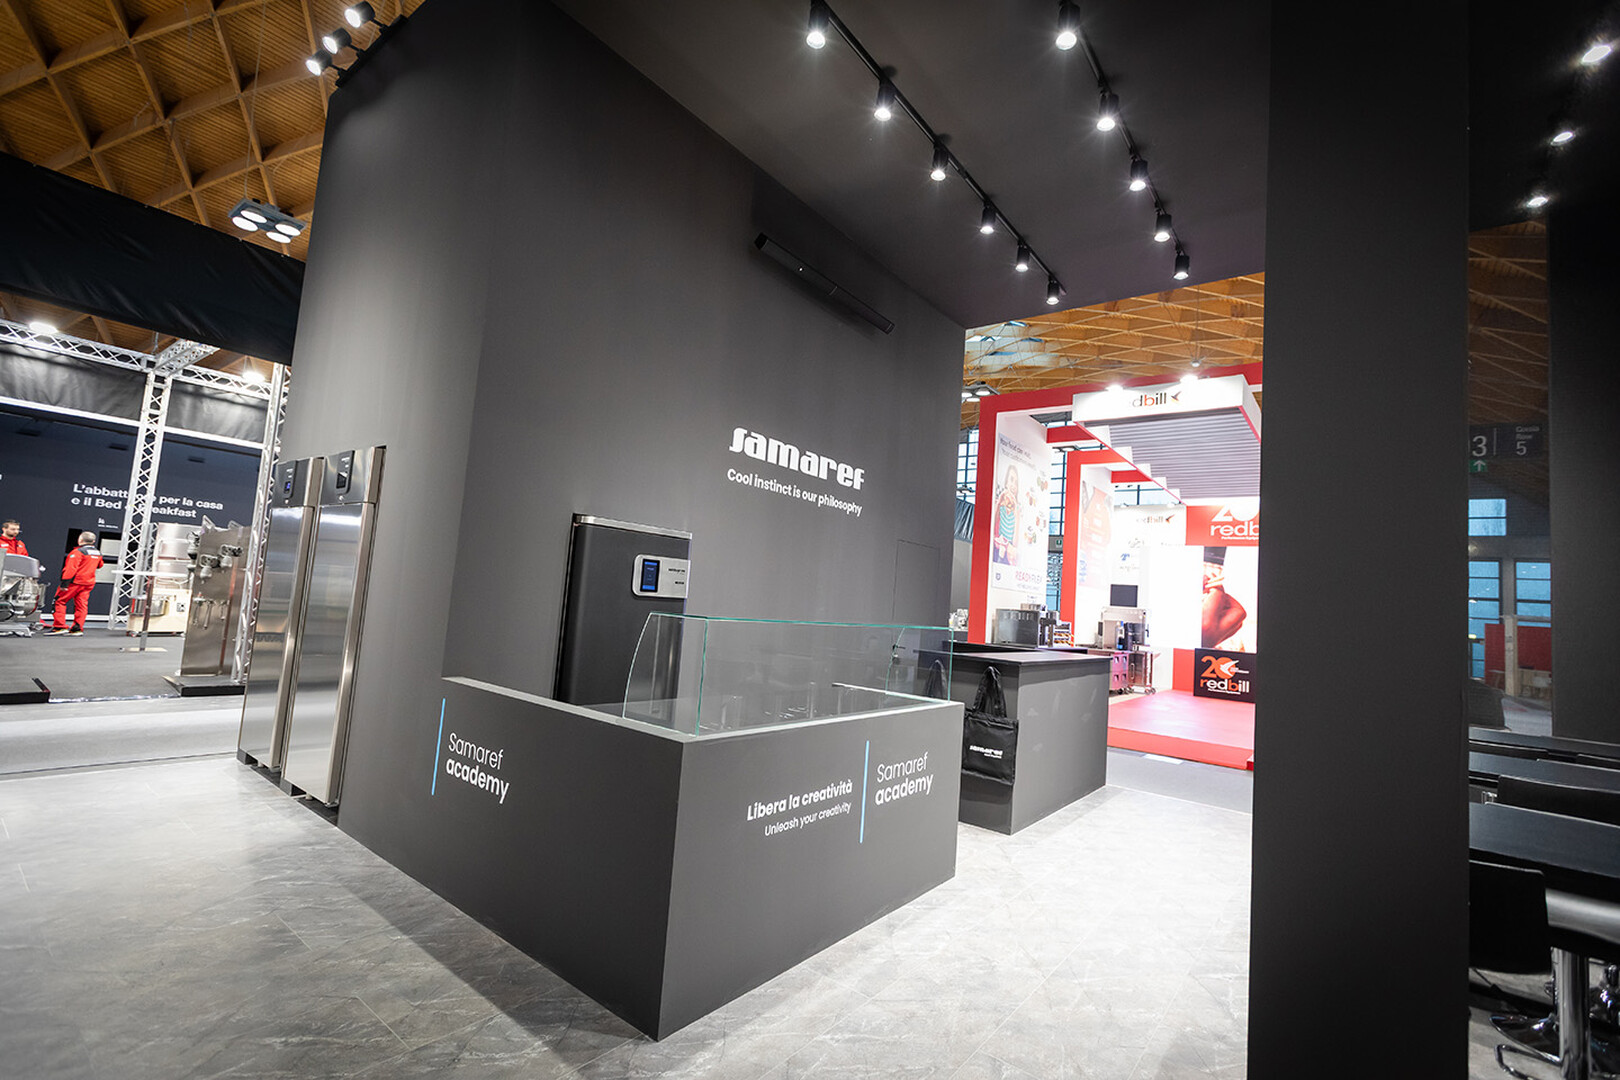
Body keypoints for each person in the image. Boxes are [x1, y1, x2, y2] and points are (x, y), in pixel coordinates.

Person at [50, 531, 104, 636]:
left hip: (75, 583)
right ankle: (77, 628)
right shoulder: (98, 553)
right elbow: (100, 565)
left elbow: (71, 568)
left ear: (80, 540)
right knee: (81, 605)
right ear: (93, 541)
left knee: (59, 601)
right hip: (88, 583)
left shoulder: (77, 552)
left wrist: (64, 584)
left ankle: (59, 626)